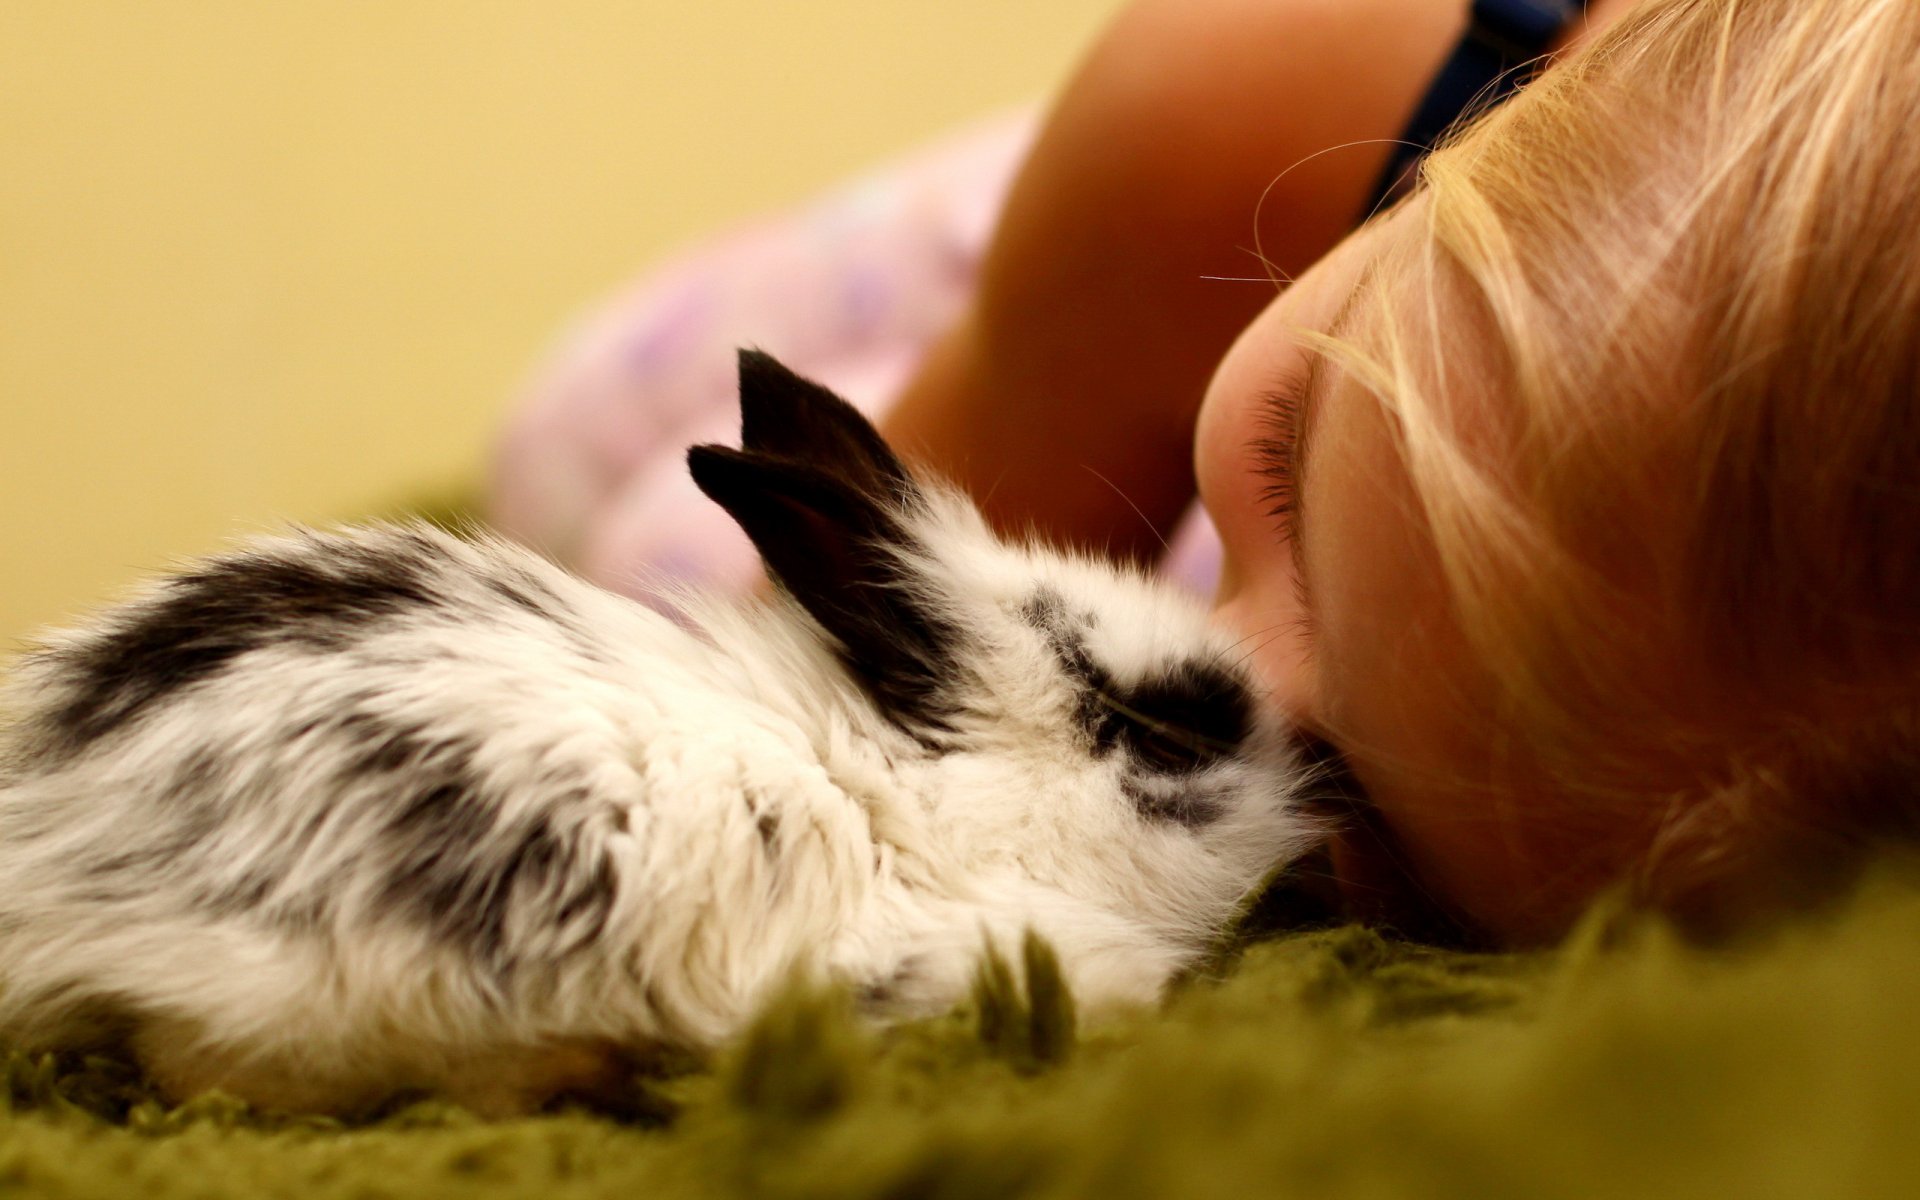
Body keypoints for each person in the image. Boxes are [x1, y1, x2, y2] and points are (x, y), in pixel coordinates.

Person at [491, 0, 1920, 945]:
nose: (1239, 663)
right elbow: (814, 688)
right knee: (589, 480)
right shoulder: (1235, 92)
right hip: (1133, 261)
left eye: (1350, 795)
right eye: (1288, 462)